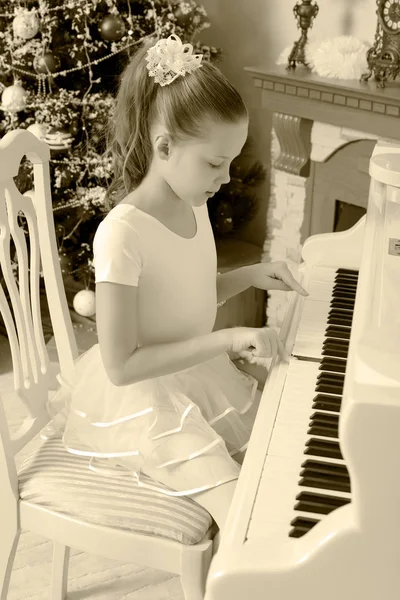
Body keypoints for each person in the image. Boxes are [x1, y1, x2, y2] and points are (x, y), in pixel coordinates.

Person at [43, 34, 308, 539]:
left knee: (275, 462)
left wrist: (251, 275)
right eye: (214, 163)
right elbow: (121, 367)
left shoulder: (193, 203)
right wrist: (228, 341)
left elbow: (184, 294)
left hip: (192, 376)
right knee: (241, 510)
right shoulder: (121, 234)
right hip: (142, 403)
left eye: (230, 161)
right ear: (164, 146)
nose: (226, 178)